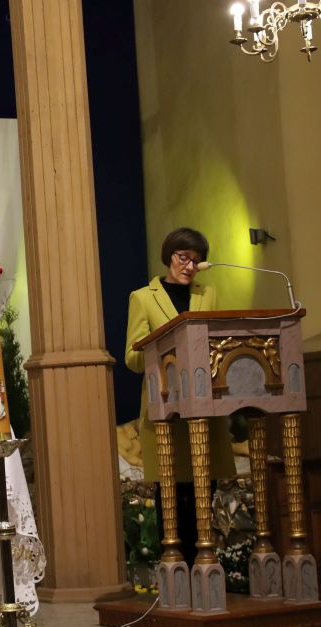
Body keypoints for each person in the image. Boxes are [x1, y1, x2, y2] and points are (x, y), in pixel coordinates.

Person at [124, 227, 235, 565]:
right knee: (173, 496)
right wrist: (161, 346)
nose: (189, 266)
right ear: (169, 257)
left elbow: (218, 343)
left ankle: (205, 566)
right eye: (183, 258)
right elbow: (132, 358)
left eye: (196, 261)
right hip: (166, 412)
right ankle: (177, 569)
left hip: (203, 409)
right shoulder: (143, 298)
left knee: (204, 492)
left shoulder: (208, 295)